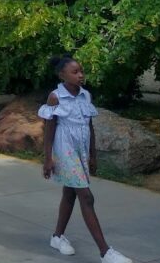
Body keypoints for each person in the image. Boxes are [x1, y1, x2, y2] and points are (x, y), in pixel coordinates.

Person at [39, 56, 132, 263]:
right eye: (75, 72)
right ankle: (105, 252)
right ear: (62, 75)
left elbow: (89, 126)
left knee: (70, 193)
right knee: (86, 197)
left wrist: (93, 155)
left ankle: (57, 237)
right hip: (65, 150)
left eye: (81, 71)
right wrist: (48, 159)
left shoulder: (85, 95)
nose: (80, 75)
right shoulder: (55, 97)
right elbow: (49, 129)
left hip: (81, 151)